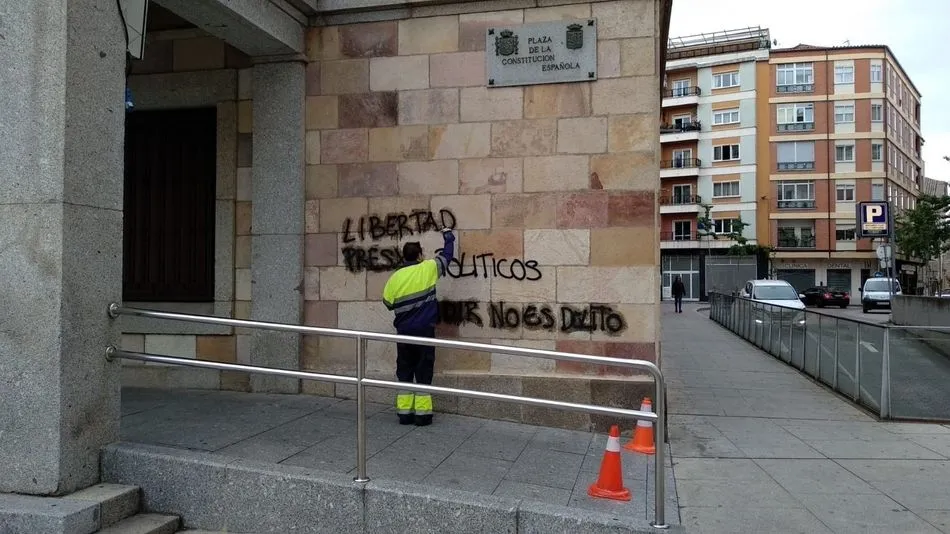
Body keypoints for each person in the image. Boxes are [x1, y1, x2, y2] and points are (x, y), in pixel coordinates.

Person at [382, 229, 455, 426]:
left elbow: (387, 303)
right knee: (423, 371)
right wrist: (449, 237)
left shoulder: (395, 277)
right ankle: (422, 415)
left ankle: (404, 413)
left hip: (404, 332)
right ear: (420, 255)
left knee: (405, 371)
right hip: (424, 332)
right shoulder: (428, 268)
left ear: (404, 256)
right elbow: (447, 257)